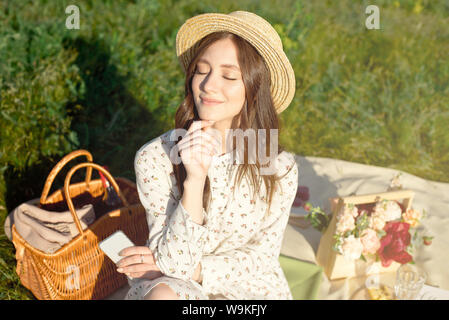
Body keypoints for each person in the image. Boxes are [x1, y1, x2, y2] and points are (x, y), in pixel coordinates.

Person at [118, 11, 298, 300]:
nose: (208, 85)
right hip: (179, 286)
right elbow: (173, 263)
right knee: (162, 296)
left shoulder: (278, 167)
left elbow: (263, 255)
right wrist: (195, 180)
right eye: (202, 71)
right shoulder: (155, 158)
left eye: (228, 75)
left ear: (255, 88)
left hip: (249, 287)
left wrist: (199, 269)